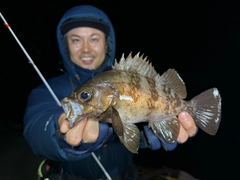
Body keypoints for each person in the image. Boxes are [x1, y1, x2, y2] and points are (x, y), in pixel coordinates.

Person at [23, 4, 197, 180]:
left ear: (106, 43)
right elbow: (36, 129)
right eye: (76, 40)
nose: (85, 49)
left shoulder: (118, 77)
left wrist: (144, 139)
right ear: (65, 45)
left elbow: (128, 131)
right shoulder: (47, 89)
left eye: (94, 39)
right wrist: (57, 132)